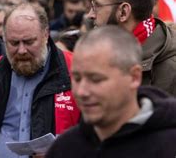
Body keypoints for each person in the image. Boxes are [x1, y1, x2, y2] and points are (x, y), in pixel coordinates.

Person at [0, 2, 79, 158]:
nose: (21, 51)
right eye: (14, 43)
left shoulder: (74, 72)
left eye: (28, 42)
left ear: (46, 35)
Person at [46, 26, 176, 157]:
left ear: (134, 77)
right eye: (76, 78)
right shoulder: (65, 148)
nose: (82, 92)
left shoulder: (169, 146)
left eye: (96, 79)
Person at [88, 0, 176, 96]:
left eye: (97, 6)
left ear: (123, 12)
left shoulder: (171, 70)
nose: (90, 15)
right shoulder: (97, 52)